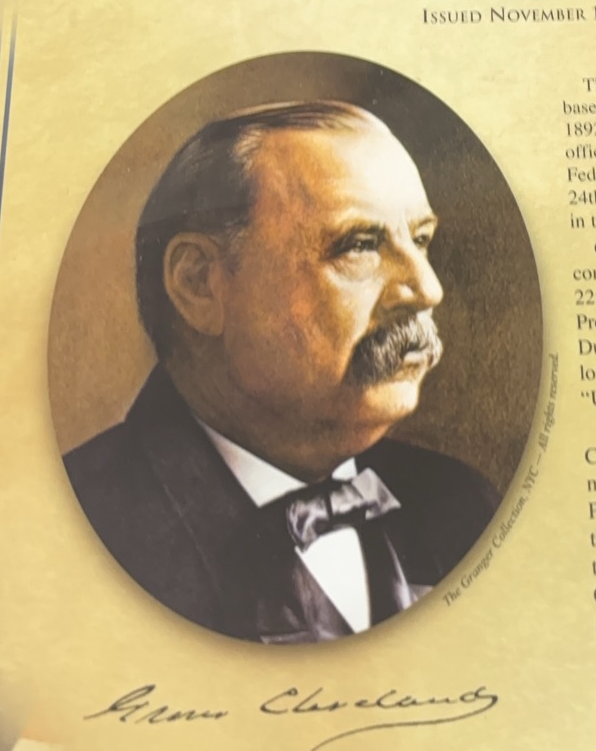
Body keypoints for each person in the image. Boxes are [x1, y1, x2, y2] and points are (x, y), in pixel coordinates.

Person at [64, 101, 498, 640]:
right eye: (360, 246)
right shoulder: (76, 533)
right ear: (199, 284)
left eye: (421, 239)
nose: (427, 289)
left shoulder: (462, 504)